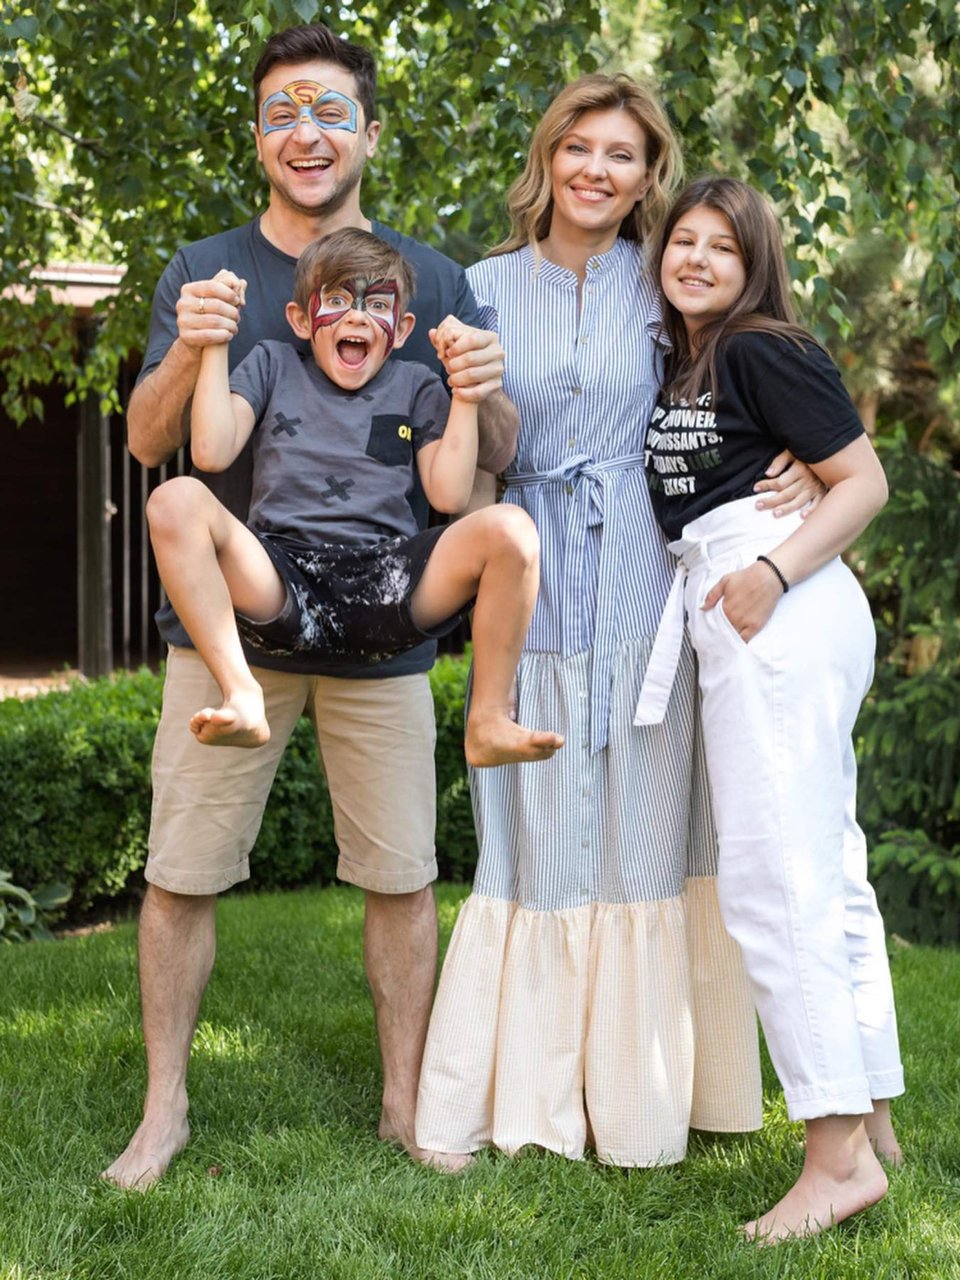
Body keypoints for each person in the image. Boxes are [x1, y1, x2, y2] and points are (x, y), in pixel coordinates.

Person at [103, 23, 520, 1189]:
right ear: (258, 133)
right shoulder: (204, 270)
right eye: (284, 110)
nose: (308, 133)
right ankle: (163, 1109)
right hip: (235, 621)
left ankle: (401, 1104)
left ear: (369, 133)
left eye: (331, 110)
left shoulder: (433, 277)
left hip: (382, 626)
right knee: (183, 868)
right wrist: (192, 353)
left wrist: (488, 402)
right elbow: (151, 444)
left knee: (398, 873)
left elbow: (489, 458)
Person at [415, 76, 824, 1168]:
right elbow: (468, 464)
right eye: (579, 148)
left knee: (646, 820)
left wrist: (792, 457)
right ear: (547, 157)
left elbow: (755, 370)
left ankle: (645, 1101)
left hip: (654, 574)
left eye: (624, 155)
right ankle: (529, 1100)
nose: (598, 170)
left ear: (650, 174)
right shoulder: (481, 288)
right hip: (532, 569)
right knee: (536, 824)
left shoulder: (668, 281)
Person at [634, 175, 904, 1241]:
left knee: (771, 874)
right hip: (754, 593)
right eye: (682, 241)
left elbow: (864, 480)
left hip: (771, 601)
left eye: (721, 247)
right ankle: (871, 1110)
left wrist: (772, 574)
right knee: (823, 863)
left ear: (755, 268)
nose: (695, 258)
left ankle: (832, 1156)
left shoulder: (758, 345)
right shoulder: (700, 360)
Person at [146, 228, 561, 767]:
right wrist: (216, 341)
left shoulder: (416, 384)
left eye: (377, 304)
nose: (358, 317)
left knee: (512, 528)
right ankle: (240, 693)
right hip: (282, 577)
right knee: (174, 500)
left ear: (402, 328)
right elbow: (211, 451)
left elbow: (449, 491)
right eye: (337, 300)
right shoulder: (273, 364)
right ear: (301, 319)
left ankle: (487, 719)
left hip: (388, 580)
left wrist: (464, 391)